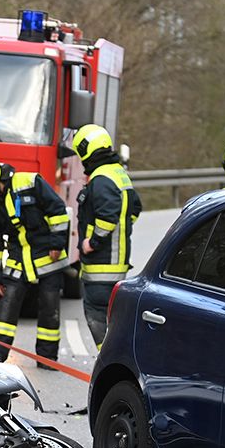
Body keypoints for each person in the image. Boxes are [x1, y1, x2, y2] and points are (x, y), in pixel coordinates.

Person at [0, 154, 71, 366]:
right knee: (7, 306)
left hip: (48, 254)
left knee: (49, 309)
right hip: (18, 259)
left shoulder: (30, 183)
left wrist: (57, 244)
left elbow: (57, 210)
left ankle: (46, 358)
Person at [73, 124, 143, 349]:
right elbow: (134, 209)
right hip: (117, 266)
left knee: (96, 315)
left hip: (101, 266)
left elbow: (108, 215)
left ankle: (107, 362)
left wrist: (92, 243)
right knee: (113, 320)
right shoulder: (119, 175)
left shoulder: (102, 179)